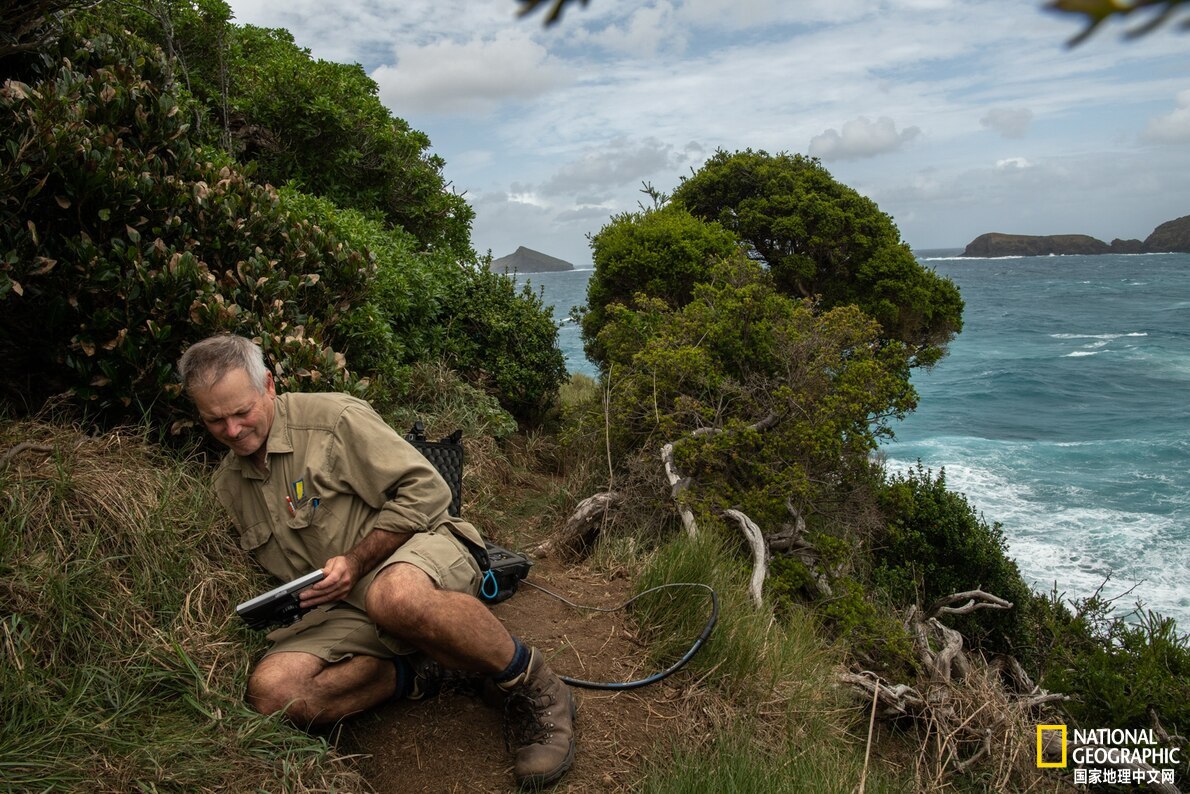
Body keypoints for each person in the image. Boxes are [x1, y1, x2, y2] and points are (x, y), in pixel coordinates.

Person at [177, 333, 576, 789]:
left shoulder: (333, 419)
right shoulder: (227, 485)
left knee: (393, 597)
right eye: (215, 420)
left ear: (268, 385)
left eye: (242, 412)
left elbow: (428, 491)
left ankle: (535, 684)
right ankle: (422, 671)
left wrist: (354, 560)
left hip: (424, 546)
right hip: (344, 605)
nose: (232, 431)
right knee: (274, 693)